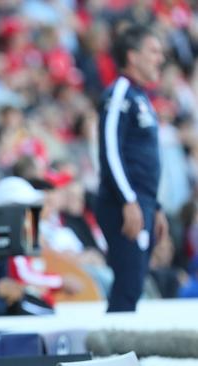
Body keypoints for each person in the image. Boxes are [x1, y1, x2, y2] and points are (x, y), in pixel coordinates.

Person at [96, 25, 169, 312]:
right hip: (125, 203)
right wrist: (128, 200)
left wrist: (156, 206)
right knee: (128, 286)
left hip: (143, 202)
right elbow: (110, 150)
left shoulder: (140, 97)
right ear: (132, 56)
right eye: (153, 51)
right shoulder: (120, 94)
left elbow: (143, 160)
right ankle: (113, 354)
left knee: (134, 285)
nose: (160, 59)